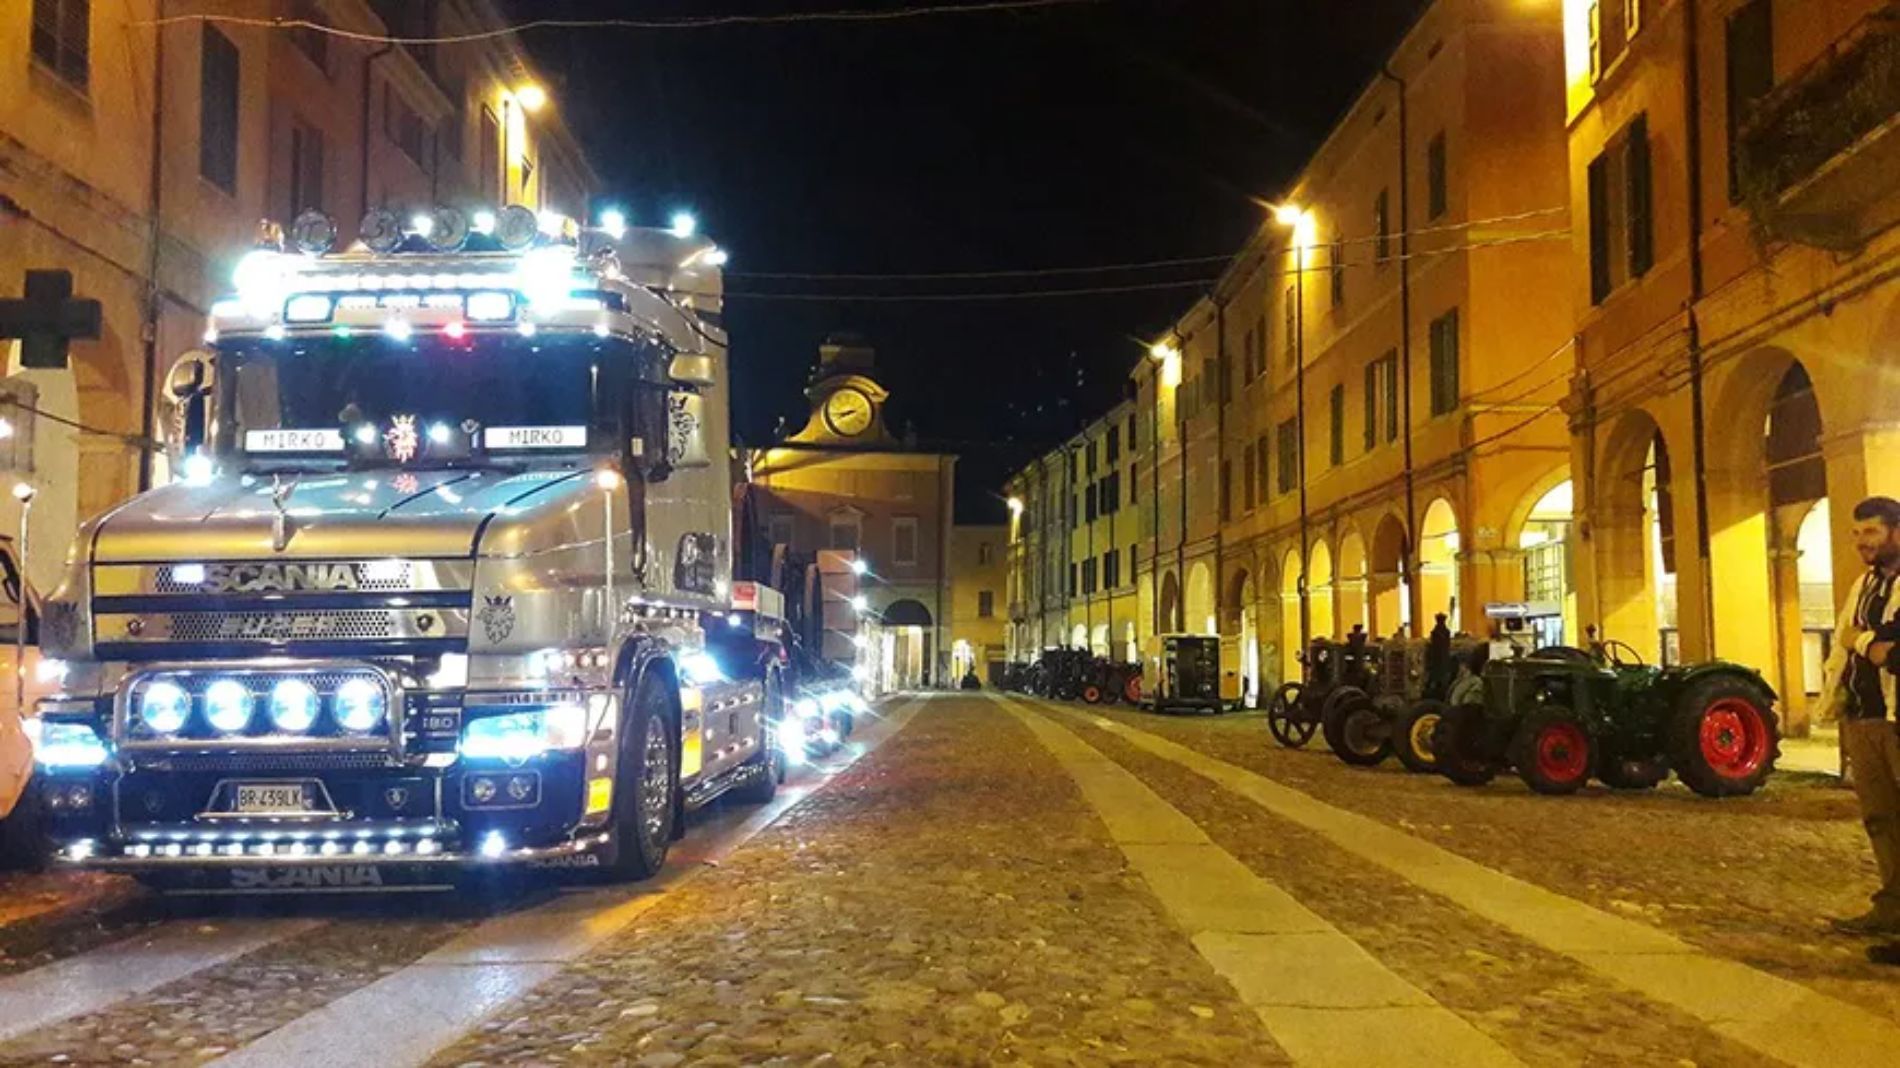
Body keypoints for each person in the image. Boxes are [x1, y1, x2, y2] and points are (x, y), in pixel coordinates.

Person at [1822, 496, 1900, 936]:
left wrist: (1862, 640)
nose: (1861, 542)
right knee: (1880, 819)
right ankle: (1892, 907)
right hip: (1863, 716)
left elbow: (1890, 651)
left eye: (1871, 531)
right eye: (1856, 533)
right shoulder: (1864, 585)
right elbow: (1844, 639)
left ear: (1896, 532)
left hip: (1895, 716)